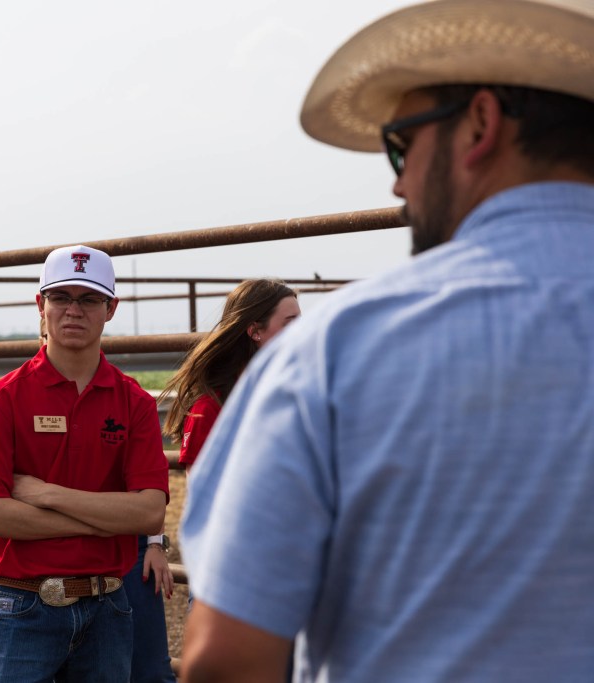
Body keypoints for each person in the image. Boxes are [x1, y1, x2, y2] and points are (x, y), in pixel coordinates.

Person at [180, 0, 594, 681]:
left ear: (481, 124)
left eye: (401, 141)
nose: (398, 179)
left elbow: (227, 659)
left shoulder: (337, 351)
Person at [0, 244, 170, 682]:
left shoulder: (133, 401)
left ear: (110, 309)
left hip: (107, 603)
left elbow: (150, 511)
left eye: (89, 299)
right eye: (61, 297)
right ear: (40, 304)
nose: (73, 311)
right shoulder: (3, 399)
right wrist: (104, 521)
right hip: (22, 601)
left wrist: (48, 495)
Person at [161, 278, 299, 471]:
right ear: (255, 331)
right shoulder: (208, 409)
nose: (302, 332)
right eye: (291, 324)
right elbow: (201, 495)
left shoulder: (292, 395)